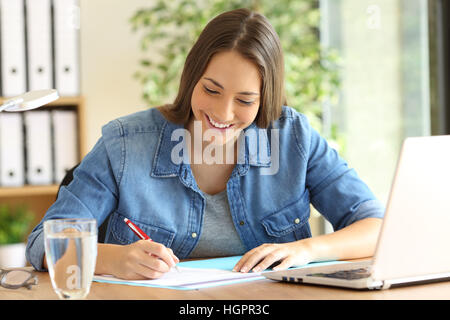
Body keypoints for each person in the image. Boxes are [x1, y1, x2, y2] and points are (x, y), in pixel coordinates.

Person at [26, 8, 384, 280]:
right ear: (192, 77)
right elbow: (44, 243)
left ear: (265, 100)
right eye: (211, 90)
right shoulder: (124, 144)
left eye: (244, 101)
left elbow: (376, 226)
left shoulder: (294, 139)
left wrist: (306, 250)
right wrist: (112, 259)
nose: (222, 113)